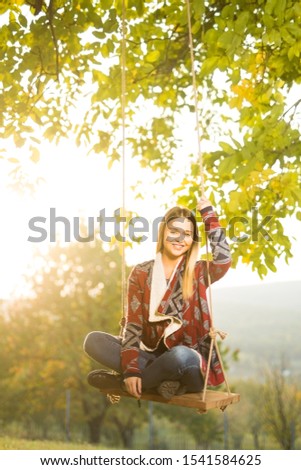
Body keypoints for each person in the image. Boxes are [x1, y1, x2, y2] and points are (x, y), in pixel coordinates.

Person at [83, 195, 231, 400]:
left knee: (179, 354)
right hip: (151, 357)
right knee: (94, 341)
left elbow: (223, 259)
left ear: (192, 240)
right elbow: (133, 326)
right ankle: (160, 382)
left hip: (189, 365)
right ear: (163, 233)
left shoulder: (197, 272)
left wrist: (208, 214)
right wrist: (133, 368)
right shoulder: (141, 273)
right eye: (174, 231)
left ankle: (123, 383)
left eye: (187, 234)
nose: (180, 239)